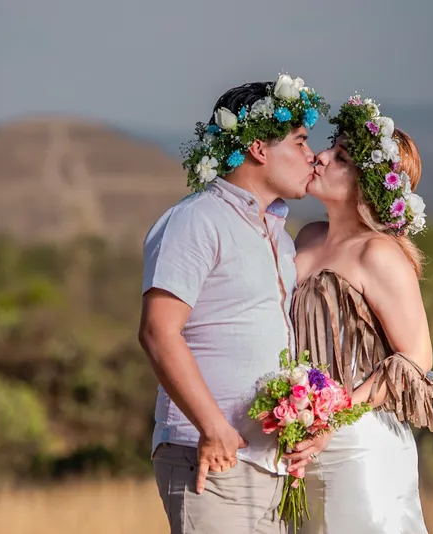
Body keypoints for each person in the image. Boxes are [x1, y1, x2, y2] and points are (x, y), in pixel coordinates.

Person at [138, 74, 329, 534]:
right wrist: (213, 427)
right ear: (259, 149)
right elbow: (158, 332)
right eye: (300, 141)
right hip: (213, 455)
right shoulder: (196, 219)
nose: (311, 156)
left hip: (273, 465)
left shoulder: (281, 238)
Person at [283, 95, 433, 533]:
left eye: (341, 156)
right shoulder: (307, 237)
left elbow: (416, 360)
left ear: (368, 185)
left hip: (359, 444)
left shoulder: (379, 253)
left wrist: (334, 414)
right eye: (330, 146)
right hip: (298, 438)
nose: (321, 155)